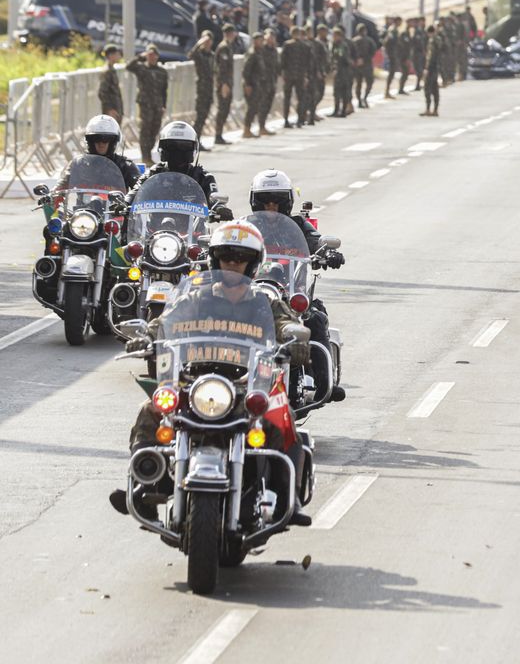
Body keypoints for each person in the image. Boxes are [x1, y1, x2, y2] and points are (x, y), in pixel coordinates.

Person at [109, 221, 311, 525]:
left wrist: (295, 337)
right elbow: (163, 322)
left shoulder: (265, 301)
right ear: (215, 260)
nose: (232, 265)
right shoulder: (195, 298)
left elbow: (285, 325)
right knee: (151, 411)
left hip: (245, 384)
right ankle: (144, 486)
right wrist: (147, 337)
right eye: (226, 258)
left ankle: (288, 500)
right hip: (195, 381)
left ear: (252, 263)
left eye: (239, 258)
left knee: (281, 417)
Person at [250, 169, 346, 403]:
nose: (271, 208)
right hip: (253, 293)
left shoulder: (299, 225)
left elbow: (315, 240)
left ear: (287, 203)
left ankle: (324, 383)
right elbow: (226, 241)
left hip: (291, 293)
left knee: (315, 318)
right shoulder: (247, 227)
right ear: (256, 203)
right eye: (266, 202)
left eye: (277, 202)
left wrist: (327, 252)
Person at [132, 122, 231, 217]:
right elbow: (135, 192)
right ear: (162, 148)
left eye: (184, 147)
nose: (177, 151)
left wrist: (219, 207)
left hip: (194, 231)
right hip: (154, 231)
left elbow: (213, 196)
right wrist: (124, 202)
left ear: (193, 148)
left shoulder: (203, 177)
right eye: (171, 146)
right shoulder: (153, 173)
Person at [124, 45, 169, 165]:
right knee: (145, 129)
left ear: (157, 57)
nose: (152, 57)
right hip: (145, 104)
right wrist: (140, 56)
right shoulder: (141, 69)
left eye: (154, 55)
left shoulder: (162, 72)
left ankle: (148, 152)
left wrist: (164, 105)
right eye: (149, 55)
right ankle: (146, 157)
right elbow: (128, 66)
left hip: (157, 105)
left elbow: (164, 90)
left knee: (154, 130)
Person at [72, 114, 142, 190]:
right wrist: (58, 195)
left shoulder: (125, 165)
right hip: (84, 202)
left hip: (115, 202)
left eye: (106, 139)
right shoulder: (79, 164)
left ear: (113, 141)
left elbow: (140, 190)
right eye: (96, 138)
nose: (101, 143)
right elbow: (61, 187)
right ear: (90, 141)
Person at [240, 33, 273, 138]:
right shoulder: (252, 53)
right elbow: (246, 71)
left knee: (257, 107)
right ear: (254, 41)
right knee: (252, 108)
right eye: (259, 40)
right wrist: (248, 84)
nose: (261, 42)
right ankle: (246, 130)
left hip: (259, 85)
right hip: (252, 85)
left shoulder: (260, 53)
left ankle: (259, 128)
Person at [279, 27, 310, 128]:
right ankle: (300, 120)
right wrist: (306, 75)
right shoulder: (305, 46)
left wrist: (282, 73)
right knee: (300, 98)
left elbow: (282, 61)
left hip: (289, 75)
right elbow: (307, 62)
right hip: (300, 75)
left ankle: (286, 120)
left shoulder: (287, 45)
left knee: (287, 98)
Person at [330, 26, 355, 118]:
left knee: (344, 91)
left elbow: (342, 58)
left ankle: (343, 111)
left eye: (336, 36)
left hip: (344, 71)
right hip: (338, 71)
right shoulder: (334, 45)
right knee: (336, 92)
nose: (334, 37)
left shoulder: (342, 45)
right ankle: (336, 110)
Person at [98, 44, 125, 122]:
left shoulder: (112, 70)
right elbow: (102, 93)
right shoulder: (107, 71)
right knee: (110, 133)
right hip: (112, 112)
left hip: (116, 109)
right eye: (117, 54)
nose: (119, 56)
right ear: (111, 55)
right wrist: (109, 109)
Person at [421, 24, 443, 117]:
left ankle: (428, 109)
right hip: (437, 67)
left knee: (427, 89)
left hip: (431, 67)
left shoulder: (432, 41)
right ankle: (435, 110)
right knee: (435, 89)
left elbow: (430, 56)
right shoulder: (438, 39)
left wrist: (427, 68)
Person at [383, 17, 408, 97]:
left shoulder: (395, 30)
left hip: (394, 54)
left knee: (392, 73)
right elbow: (388, 42)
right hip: (392, 55)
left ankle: (387, 91)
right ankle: (387, 92)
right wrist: (390, 53)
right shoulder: (393, 30)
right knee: (391, 73)